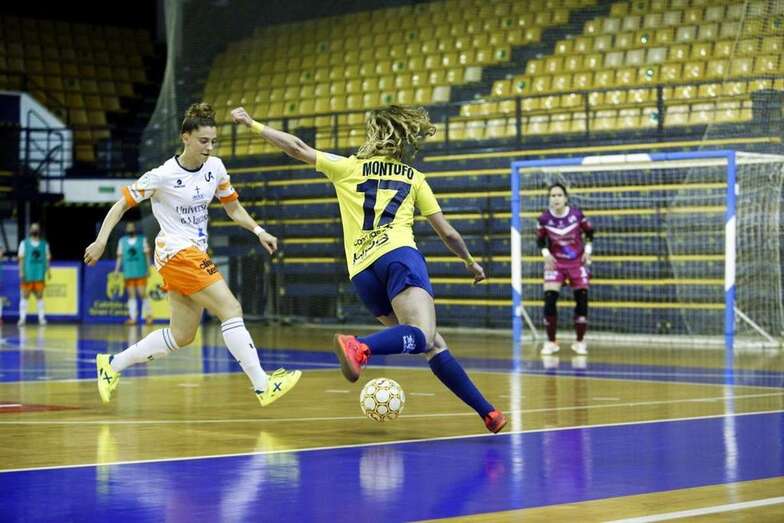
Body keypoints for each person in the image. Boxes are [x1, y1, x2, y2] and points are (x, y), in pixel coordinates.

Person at [231, 104, 507, 433]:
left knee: (431, 344)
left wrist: (253, 123)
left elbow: (297, 147)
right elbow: (447, 232)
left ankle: (488, 413)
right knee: (422, 334)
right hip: (399, 258)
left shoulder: (348, 167)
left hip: (362, 273)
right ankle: (362, 346)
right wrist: (470, 261)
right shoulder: (415, 179)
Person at [84, 102, 301, 407]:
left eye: (213, 141)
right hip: (176, 252)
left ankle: (111, 365)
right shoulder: (161, 175)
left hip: (193, 251)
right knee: (230, 308)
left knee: (182, 336)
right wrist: (101, 241)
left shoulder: (216, 168)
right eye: (203, 141)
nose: (209, 147)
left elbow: (233, 209)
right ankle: (263, 385)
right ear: (185, 137)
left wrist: (259, 231)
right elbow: (121, 205)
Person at [536, 183, 594, 356]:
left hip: (576, 262)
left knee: (582, 298)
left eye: (559, 195)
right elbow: (540, 240)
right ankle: (551, 342)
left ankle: (580, 342)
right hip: (556, 264)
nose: (556, 199)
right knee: (549, 299)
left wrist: (588, 251)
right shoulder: (544, 219)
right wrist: (545, 253)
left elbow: (590, 232)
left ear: (566, 198)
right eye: (552, 196)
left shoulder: (576, 215)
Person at [115, 221, 154, 325]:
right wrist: (116, 270)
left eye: (132, 227)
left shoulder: (142, 240)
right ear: (126, 230)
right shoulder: (122, 241)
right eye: (128, 228)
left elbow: (147, 255)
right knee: (131, 295)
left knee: (142, 293)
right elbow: (120, 257)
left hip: (140, 271)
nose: (130, 229)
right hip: (128, 272)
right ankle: (133, 318)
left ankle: (149, 315)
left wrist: (149, 268)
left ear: (134, 229)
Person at [18, 223, 51, 326]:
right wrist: (21, 272)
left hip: (39, 274)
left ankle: (41, 319)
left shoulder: (44, 244)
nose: (34, 230)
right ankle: (22, 319)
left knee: (40, 296)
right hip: (28, 274)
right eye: (33, 228)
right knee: (25, 296)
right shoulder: (24, 243)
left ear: (39, 230)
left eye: (36, 228)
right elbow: (21, 259)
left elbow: (47, 258)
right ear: (30, 230)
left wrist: (48, 271)